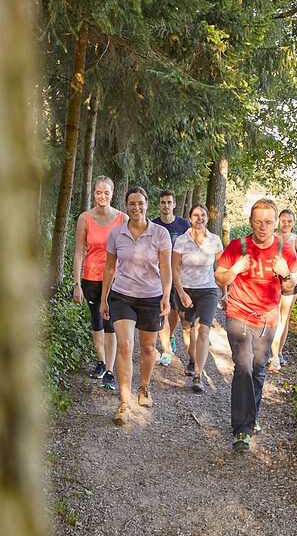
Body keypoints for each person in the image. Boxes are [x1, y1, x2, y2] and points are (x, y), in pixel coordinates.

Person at [215, 198, 297, 451]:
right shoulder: (238, 246)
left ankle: (251, 416)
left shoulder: (286, 249)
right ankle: (242, 430)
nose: (263, 227)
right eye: (258, 222)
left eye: (268, 222)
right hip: (239, 314)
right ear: (251, 222)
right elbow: (219, 278)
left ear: (276, 224)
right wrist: (235, 270)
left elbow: (289, 286)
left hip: (268, 319)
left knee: (259, 370)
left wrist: (285, 273)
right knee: (243, 367)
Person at [101, 187, 172, 425]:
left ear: (147, 204)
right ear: (126, 206)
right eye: (131, 203)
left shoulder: (160, 234)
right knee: (124, 345)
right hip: (122, 296)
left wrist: (166, 295)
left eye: (140, 203)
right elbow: (110, 268)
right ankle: (124, 403)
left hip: (151, 297)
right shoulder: (116, 234)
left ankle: (143, 387)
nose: (136, 208)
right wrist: (104, 298)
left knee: (149, 347)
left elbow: (165, 268)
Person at [73, 176, 127, 391]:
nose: (102, 196)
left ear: (112, 194)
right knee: (96, 320)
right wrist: (76, 283)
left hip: (115, 280)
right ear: (93, 193)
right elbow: (78, 253)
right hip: (91, 278)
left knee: (110, 323)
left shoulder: (122, 218)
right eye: (98, 192)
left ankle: (110, 372)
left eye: (106, 192)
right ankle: (101, 362)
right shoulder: (85, 218)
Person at [172, 204, 223, 393]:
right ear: (190, 218)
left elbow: (222, 267)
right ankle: (192, 359)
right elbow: (175, 269)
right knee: (188, 330)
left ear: (207, 218)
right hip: (185, 290)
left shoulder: (215, 240)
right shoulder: (181, 241)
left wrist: (224, 292)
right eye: (196, 215)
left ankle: (198, 375)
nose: (199, 218)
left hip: (208, 290)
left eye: (203, 215)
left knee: (202, 330)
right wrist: (181, 292)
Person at [268, 208, 297, 371]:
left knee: (283, 319)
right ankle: (270, 352)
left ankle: (277, 353)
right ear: (278, 221)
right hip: (272, 283)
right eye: (283, 220)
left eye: (289, 221)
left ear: (294, 223)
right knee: (273, 317)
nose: (286, 224)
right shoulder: (272, 238)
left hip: (290, 283)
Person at [151, 190, 190, 367]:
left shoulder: (183, 224)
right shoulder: (153, 225)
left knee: (174, 311)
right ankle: (166, 350)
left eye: (169, 202)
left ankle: (171, 335)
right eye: (163, 202)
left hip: (180, 276)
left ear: (174, 204)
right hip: (159, 275)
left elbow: (190, 247)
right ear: (159, 205)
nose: (166, 206)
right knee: (163, 309)